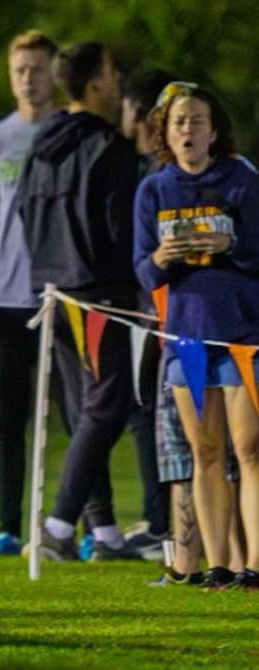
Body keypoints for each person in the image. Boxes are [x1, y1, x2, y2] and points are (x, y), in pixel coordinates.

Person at [19, 41, 142, 562]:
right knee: (108, 407)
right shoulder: (109, 148)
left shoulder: (41, 142)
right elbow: (120, 229)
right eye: (113, 75)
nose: (117, 85)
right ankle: (57, 527)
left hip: (51, 289)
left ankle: (106, 533)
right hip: (99, 292)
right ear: (95, 84)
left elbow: (25, 214)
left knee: (83, 411)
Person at [133, 82, 259, 590]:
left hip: (244, 334)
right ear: (164, 130)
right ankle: (218, 568)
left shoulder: (242, 179)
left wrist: (230, 242)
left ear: (214, 130)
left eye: (198, 120)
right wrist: (161, 259)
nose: (188, 129)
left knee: (250, 451)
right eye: (179, 121)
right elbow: (142, 272)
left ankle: (253, 566)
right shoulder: (154, 190)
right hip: (186, 337)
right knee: (204, 454)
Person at [0, 30, 59, 558]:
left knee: (77, 416)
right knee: (7, 419)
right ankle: (8, 527)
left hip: (63, 298)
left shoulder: (72, 135)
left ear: (54, 74)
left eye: (37, 69)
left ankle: (81, 527)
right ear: (10, 75)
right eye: (20, 69)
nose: (28, 79)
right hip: (4, 297)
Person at [115, 68, 176, 560]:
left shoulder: (157, 178)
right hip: (155, 311)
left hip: (156, 313)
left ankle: (162, 522)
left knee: (149, 412)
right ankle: (164, 517)